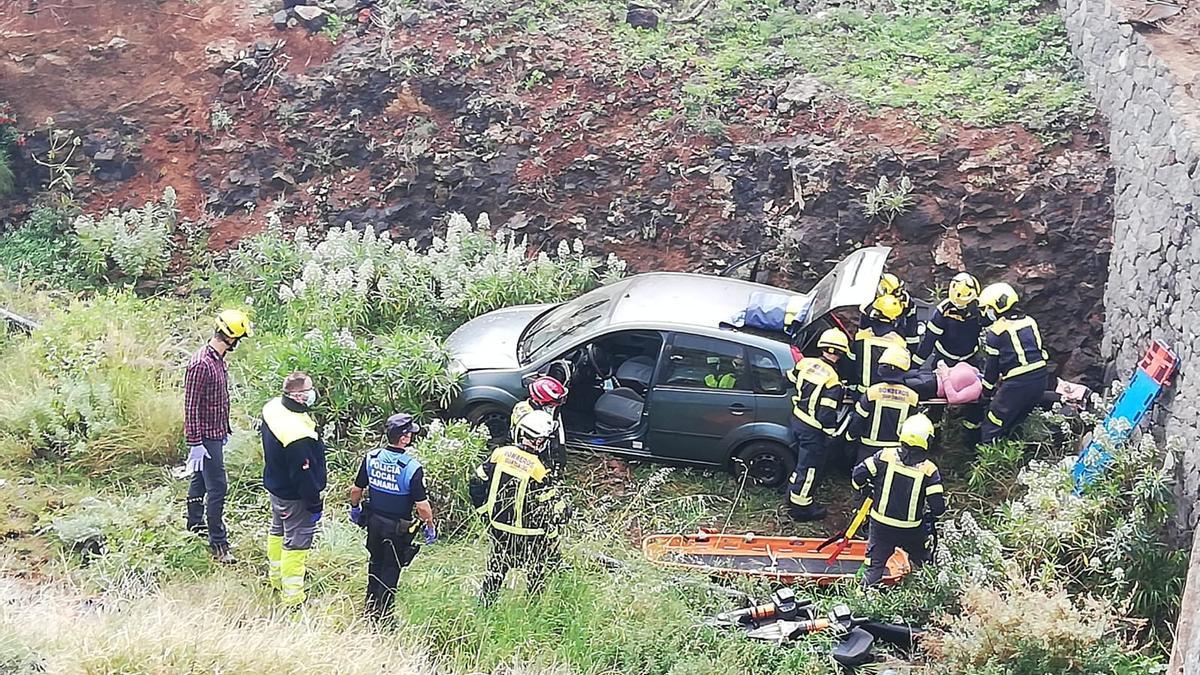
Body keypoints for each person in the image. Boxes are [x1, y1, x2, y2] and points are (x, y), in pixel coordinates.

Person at [471, 410, 571, 606]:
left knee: (495, 572)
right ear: (539, 441)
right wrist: (561, 519)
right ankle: (531, 610)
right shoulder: (539, 470)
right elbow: (551, 509)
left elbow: (476, 481)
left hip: (498, 529)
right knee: (536, 575)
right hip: (530, 534)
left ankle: (485, 606)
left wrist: (483, 512)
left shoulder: (499, 454)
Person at [349, 413, 436, 622]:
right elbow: (422, 507)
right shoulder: (411, 467)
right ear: (404, 438)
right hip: (398, 528)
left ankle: (369, 607)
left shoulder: (372, 457)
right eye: (410, 434)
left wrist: (355, 509)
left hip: (374, 523)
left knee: (375, 563)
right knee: (391, 569)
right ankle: (384, 618)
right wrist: (429, 525)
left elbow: (356, 489)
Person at [184, 309, 252, 564]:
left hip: (216, 432)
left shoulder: (217, 360)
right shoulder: (201, 364)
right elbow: (190, 406)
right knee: (218, 488)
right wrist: (195, 443)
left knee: (200, 480)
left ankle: (194, 524)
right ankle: (218, 543)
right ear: (231, 337)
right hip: (206, 437)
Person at [852, 413, 946, 587]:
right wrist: (929, 519)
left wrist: (866, 490)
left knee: (874, 568)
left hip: (880, 526)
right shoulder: (929, 470)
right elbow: (938, 507)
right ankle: (932, 594)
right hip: (911, 530)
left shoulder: (884, 457)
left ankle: (861, 601)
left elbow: (858, 475)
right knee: (925, 564)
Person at [262, 371, 328, 607]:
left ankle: (276, 578)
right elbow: (304, 475)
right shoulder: (297, 434)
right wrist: (313, 502)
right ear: (299, 396)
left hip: (275, 487)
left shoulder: (272, 409)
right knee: (296, 543)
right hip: (294, 496)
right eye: (309, 390)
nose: (313, 394)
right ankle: (293, 597)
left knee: (278, 530)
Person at [785, 328, 850, 522]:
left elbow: (789, 378)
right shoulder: (833, 380)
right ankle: (801, 508)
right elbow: (826, 414)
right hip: (813, 430)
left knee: (801, 463)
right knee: (810, 468)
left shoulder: (805, 363)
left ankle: (791, 493)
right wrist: (831, 432)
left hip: (797, 419)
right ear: (840, 353)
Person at [978, 282, 1049, 445]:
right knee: (1016, 422)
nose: (986, 313)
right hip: (1040, 378)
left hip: (1018, 384)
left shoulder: (996, 332)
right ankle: (1018, 458)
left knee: (992, 425)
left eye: (988, 308)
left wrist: (986, 393)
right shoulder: (1029, 321)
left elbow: (992, 369)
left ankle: (990, 465)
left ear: (998, 305)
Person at [845, 345, 919, 465]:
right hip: (896, 452)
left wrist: (850, 437)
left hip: (868, 449)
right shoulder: (912, 397)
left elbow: (858, 420)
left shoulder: (872, 393)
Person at [914, 272, 986, 368]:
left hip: (970, 359)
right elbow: (929, 342)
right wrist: (914, 366)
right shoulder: (943, 311)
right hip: (944, 360)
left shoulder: (980, 309)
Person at [847, 294, 908, 397]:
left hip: (861, 394)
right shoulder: (900, 342)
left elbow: (848, 368)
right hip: (887, 396)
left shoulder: (861, 338)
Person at [511, 375, 568, 466]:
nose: (555, 406)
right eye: (552, 404)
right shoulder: (530, 417)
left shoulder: (530, 407)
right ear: (541, 401)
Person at [859, 273, 920, 351]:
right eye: (897, 291)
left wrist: (911, 349)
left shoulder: (906, 302)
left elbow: (912, 329)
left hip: (900, 344)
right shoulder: (869, 307)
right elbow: (863, 334)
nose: (900, 295)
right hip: (877, 344)